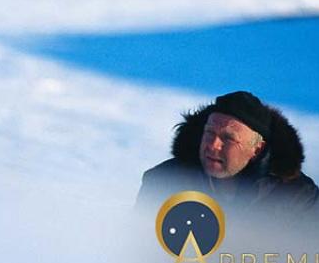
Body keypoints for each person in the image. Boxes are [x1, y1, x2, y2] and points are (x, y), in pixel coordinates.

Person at [136, 91, 318, 219]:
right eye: (209, 133)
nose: (213, 145)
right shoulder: (163, 182)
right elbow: (137, 254)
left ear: (257, 149)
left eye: (228, 138)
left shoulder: (299, 198)